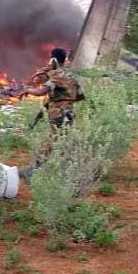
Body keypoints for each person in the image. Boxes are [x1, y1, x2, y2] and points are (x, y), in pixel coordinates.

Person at [19, 47, 84, 179]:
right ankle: (71, 172)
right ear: (65, 59)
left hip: (58, 116)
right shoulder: (70, 76)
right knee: (62, 142)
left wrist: (27, 89)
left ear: (53, 59)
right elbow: (79, 96)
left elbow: (40, 92)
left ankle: (34, 171)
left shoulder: (56, 75)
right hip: (69, 114)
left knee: (50, 143)